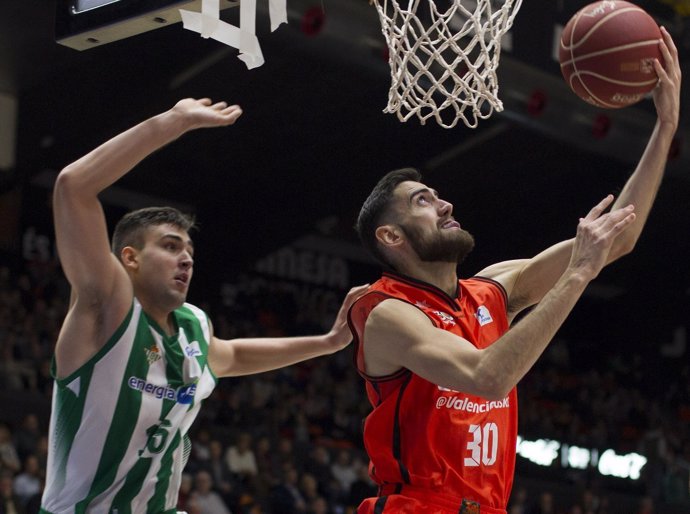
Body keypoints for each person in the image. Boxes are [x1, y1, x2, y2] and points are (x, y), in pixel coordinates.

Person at [347, 28, 681, 514]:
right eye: (423, 201)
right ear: (391, 237)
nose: (445, 204)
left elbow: (617, 240)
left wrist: (665, 127)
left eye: (438, 196)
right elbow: (489, 376)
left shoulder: (490, 290)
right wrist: (575, 277)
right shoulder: (386, 314)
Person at [40, 97, 368, 513]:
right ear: (130, 258)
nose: (187, 258)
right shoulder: (107, 307)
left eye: (189, 249)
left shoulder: (193, 324)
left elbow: (231, 355)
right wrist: (173, 123)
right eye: (170, 246)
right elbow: (73, 186)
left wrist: (328, 342)